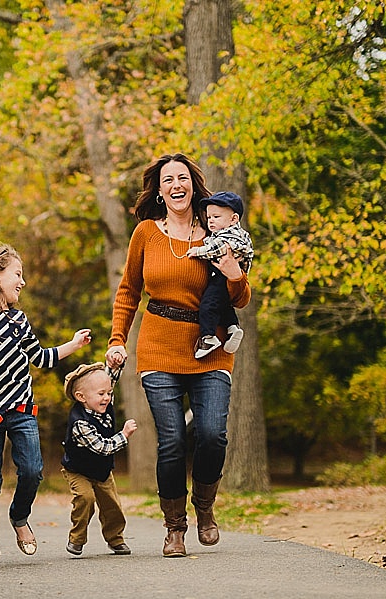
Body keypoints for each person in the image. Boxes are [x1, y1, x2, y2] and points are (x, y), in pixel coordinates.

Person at [105, 153, 250, 558]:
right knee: (170, 442)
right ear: (160, 189)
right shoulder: (146, 234)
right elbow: (128, 291)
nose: (176, 185)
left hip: (212, 349)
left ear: (193, 185)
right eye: (168, 179)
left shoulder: (219, 232)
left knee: (211, 434)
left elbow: (239, 296)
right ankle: (175, 527)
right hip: (157, 347)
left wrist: (234, 272)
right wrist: (118, 339)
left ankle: (204, 507)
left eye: (182, 178)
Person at [0, 242, 91, 573]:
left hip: (21, 411)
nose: (23, 282)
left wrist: (72, 345)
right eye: (17, 274)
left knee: (32, 471)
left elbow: (40, 358)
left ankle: (19, 515)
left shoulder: (19, 320)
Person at [60, 362, 137, 557]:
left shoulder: (104, 405)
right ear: (81, 397)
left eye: (109, 393)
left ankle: (116, 539)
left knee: (112, 506)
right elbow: (103, 447)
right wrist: (124, 435)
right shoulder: (80, 423)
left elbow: (110, 377)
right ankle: (77, 538)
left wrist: (116, 362)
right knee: (86, 499)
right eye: (101, 394)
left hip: (102, 471)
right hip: (78, 470)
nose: (107, 398)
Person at [185, 191, 254, 358]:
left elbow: (219, 248)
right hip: (224, 275)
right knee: (222, 304)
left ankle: (208, 337)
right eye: (209, 217)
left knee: (208, 304)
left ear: (234, 219)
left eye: (216, 217)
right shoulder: (226, 234)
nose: (211, 221)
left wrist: (198, 250)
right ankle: (232, 326)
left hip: (224, 274)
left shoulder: (230, 235)